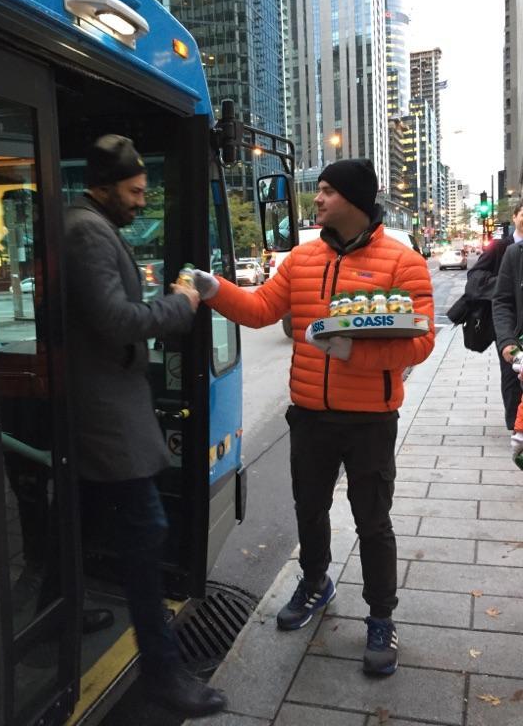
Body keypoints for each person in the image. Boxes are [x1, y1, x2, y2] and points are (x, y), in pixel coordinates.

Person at [194, 158, 435, 676]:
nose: (317, 199)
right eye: (318, 190)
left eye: (326, 191)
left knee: (373, 522)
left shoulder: (402, 263)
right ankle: (315, 582)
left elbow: (420, 341)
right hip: (310, 416)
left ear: (353, 198)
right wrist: (213, 290)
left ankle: (380, 617)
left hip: (371, 418)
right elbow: (260, 309)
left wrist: (350, 352)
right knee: (310, 509)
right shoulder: (302, 260)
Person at [64, 134, 225, 718]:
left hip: (106, 413)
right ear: (104, 187)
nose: (140, 201)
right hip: (108, 419)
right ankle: (162, 673)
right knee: (145, 535)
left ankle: (65, 609)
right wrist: (181, 302)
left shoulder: (92, 224)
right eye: (133, 192)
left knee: (79, 523)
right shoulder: (85, 230)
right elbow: (115, 320)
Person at [466, 202, 523, 430]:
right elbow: (499, 297)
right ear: (515, 216)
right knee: (512, 380)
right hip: (514, 334)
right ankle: (516, 428)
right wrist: (507, 339)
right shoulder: (507, 249)